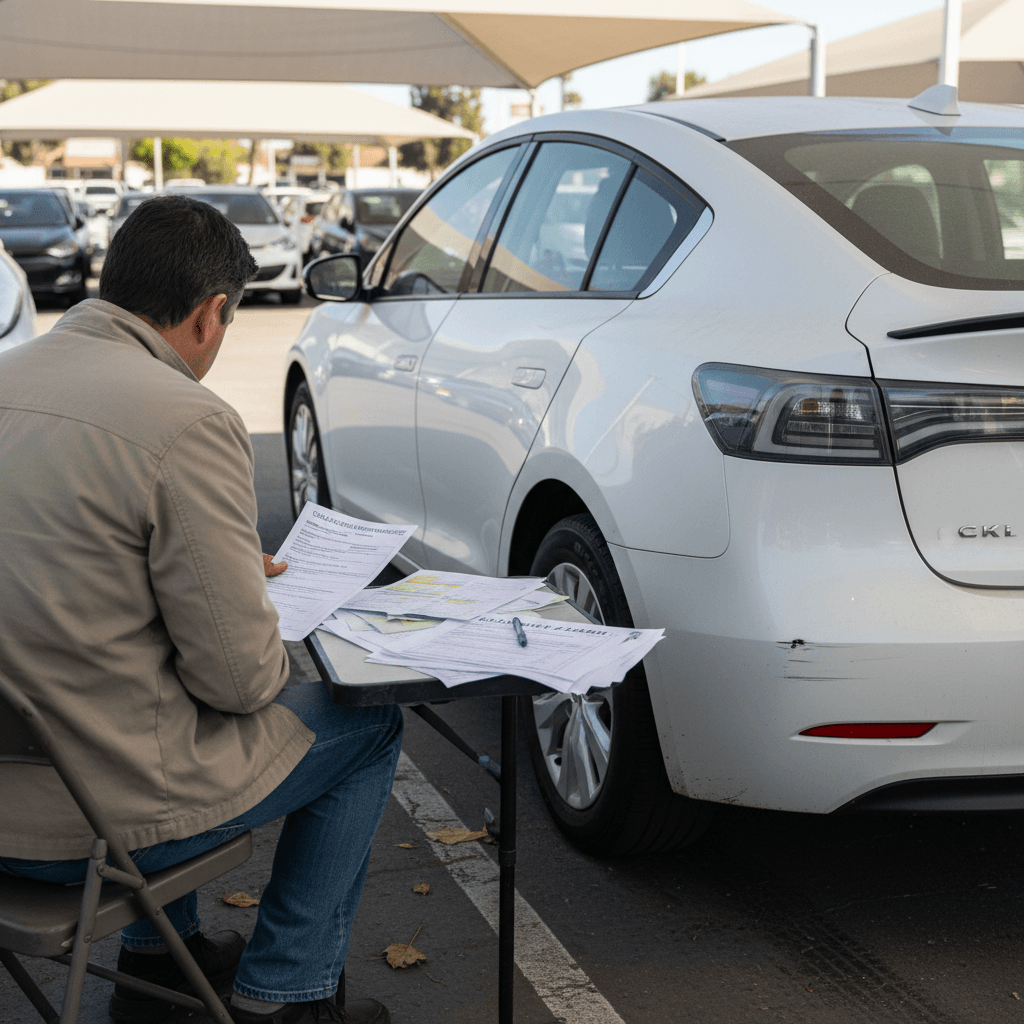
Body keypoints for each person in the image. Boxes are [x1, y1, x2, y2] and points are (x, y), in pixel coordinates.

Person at [0, 194, 402, 1024]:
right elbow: (238, 680)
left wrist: (201, 572)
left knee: (133, 676)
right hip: (88, 827)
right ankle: (286, 993)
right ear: (213, 313)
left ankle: (160, 965)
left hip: (20, 775)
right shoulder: (186, 418)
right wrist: (241, 593)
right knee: (369, 723)